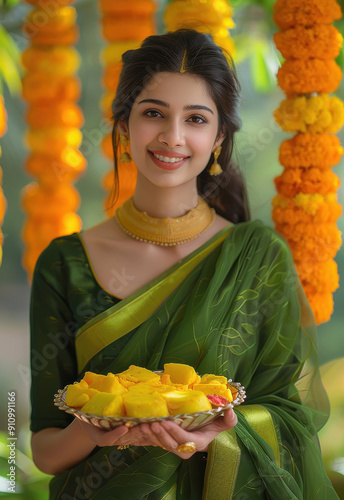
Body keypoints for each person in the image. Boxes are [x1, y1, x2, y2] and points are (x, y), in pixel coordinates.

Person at [29, 29, 339, 499]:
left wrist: (220, 438)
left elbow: (293, 419)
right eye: (154, 112)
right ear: (124, 125)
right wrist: (88, 432)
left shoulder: (257, 258)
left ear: (218, 138)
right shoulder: (65, 263)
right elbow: (44, 450)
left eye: (195, 118)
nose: (172, 137)